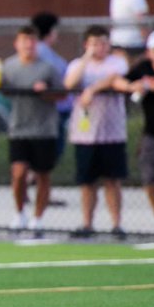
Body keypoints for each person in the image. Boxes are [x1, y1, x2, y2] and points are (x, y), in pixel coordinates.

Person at [64, 25, 128, 238]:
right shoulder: (77, 65)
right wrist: (86, 58)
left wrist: (91, 89)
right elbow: (70, 83)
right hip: (85, 133)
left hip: (112, 132)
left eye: (103, 43)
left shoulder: (117, 61)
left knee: (112, 180)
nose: (99, 47)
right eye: (94, 43)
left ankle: (117, 224)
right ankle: (87, 224)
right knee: (87, 182)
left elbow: (114, 78)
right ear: (86, 44)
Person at [1, 26, 66, 234]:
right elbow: (1, 89)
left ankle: (38, 218)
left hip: (44, 129)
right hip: (19, 128)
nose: (28, 45)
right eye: (24, 40)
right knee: (19, 173)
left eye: (32, 41)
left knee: (42, 175)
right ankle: (19, 213)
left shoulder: (47, 68)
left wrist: (46, 92)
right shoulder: (8, 67)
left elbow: (63, 94)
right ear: (17, 43)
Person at [118, 30, 154, 219]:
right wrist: (133, 86)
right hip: (152, 133)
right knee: (149, 179)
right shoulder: (143, 68)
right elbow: (117, 80)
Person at [31, 12, 72, 163]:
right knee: (47, 156)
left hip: (60, 109)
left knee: (53, 154)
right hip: (51, 111)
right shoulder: (41, 52)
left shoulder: (47, 52)